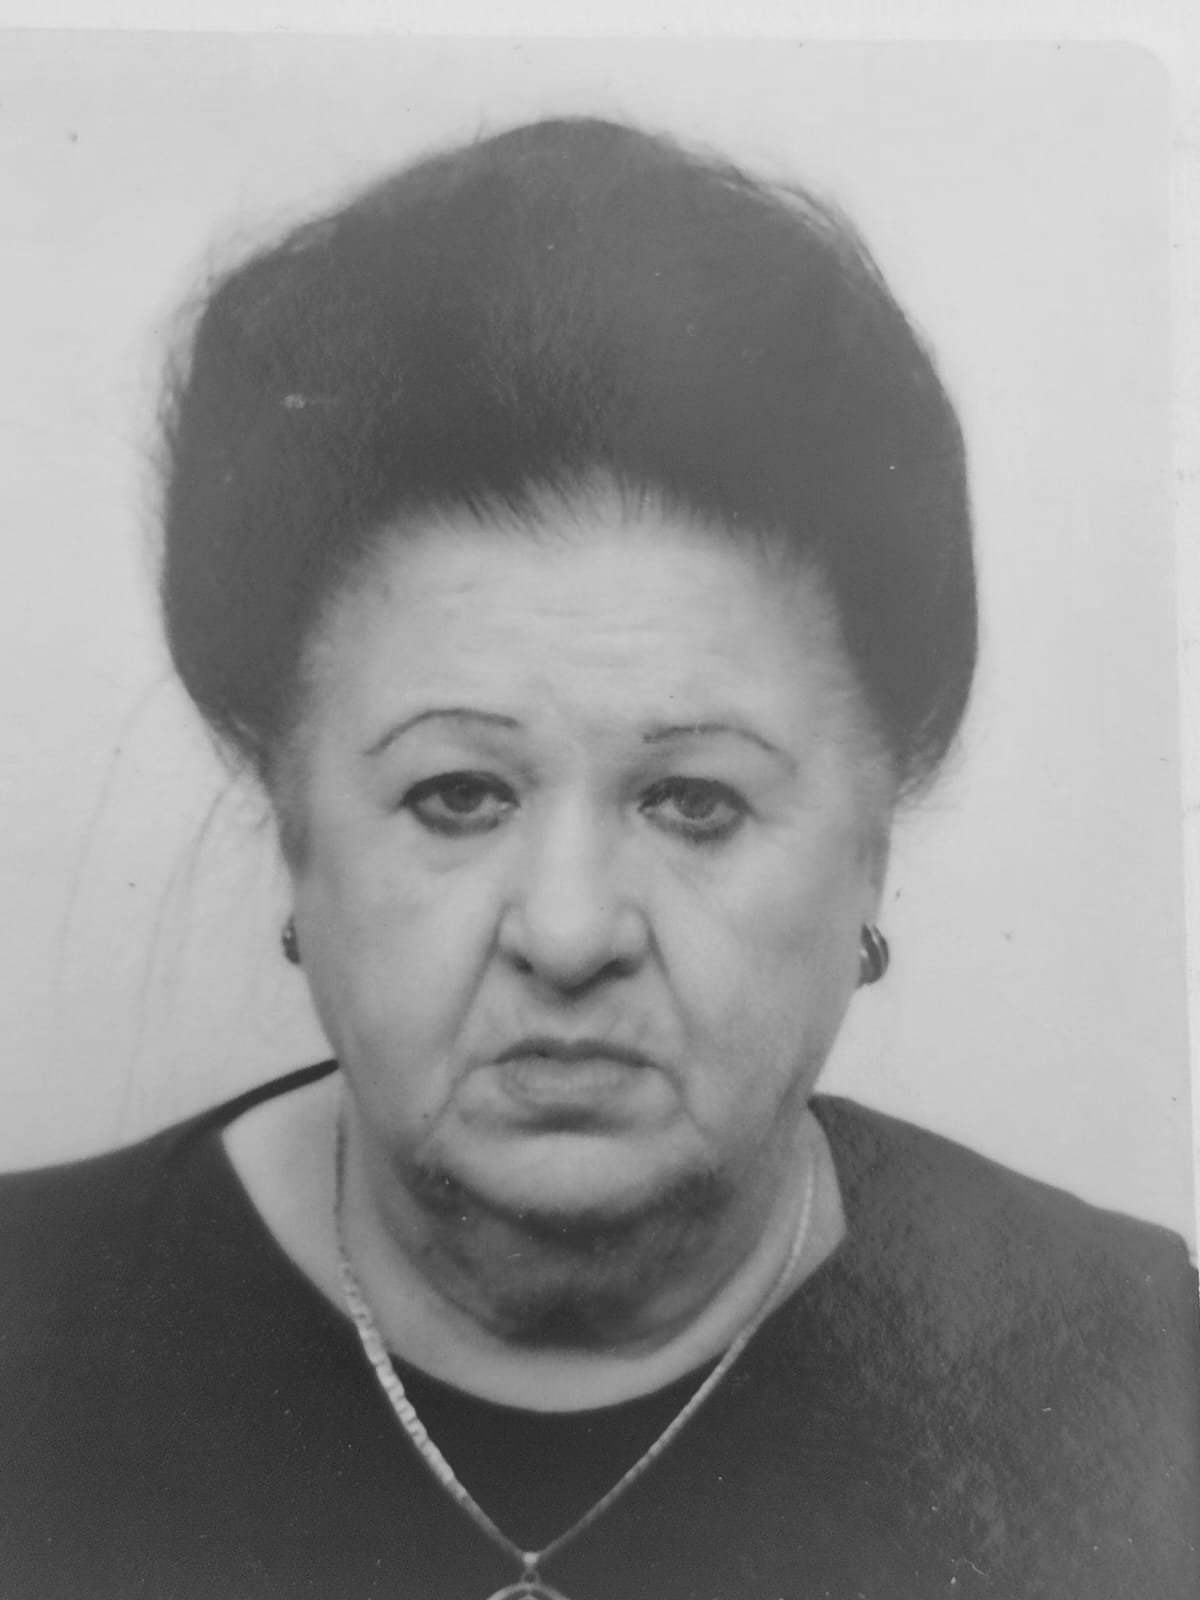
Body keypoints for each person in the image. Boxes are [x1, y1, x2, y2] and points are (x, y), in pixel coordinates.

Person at [0, 115, 1196, 1600]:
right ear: (292, 828)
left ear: (873, 848)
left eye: (694, 802)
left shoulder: (1138, 1379)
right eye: (455, 795)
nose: (568, 934)